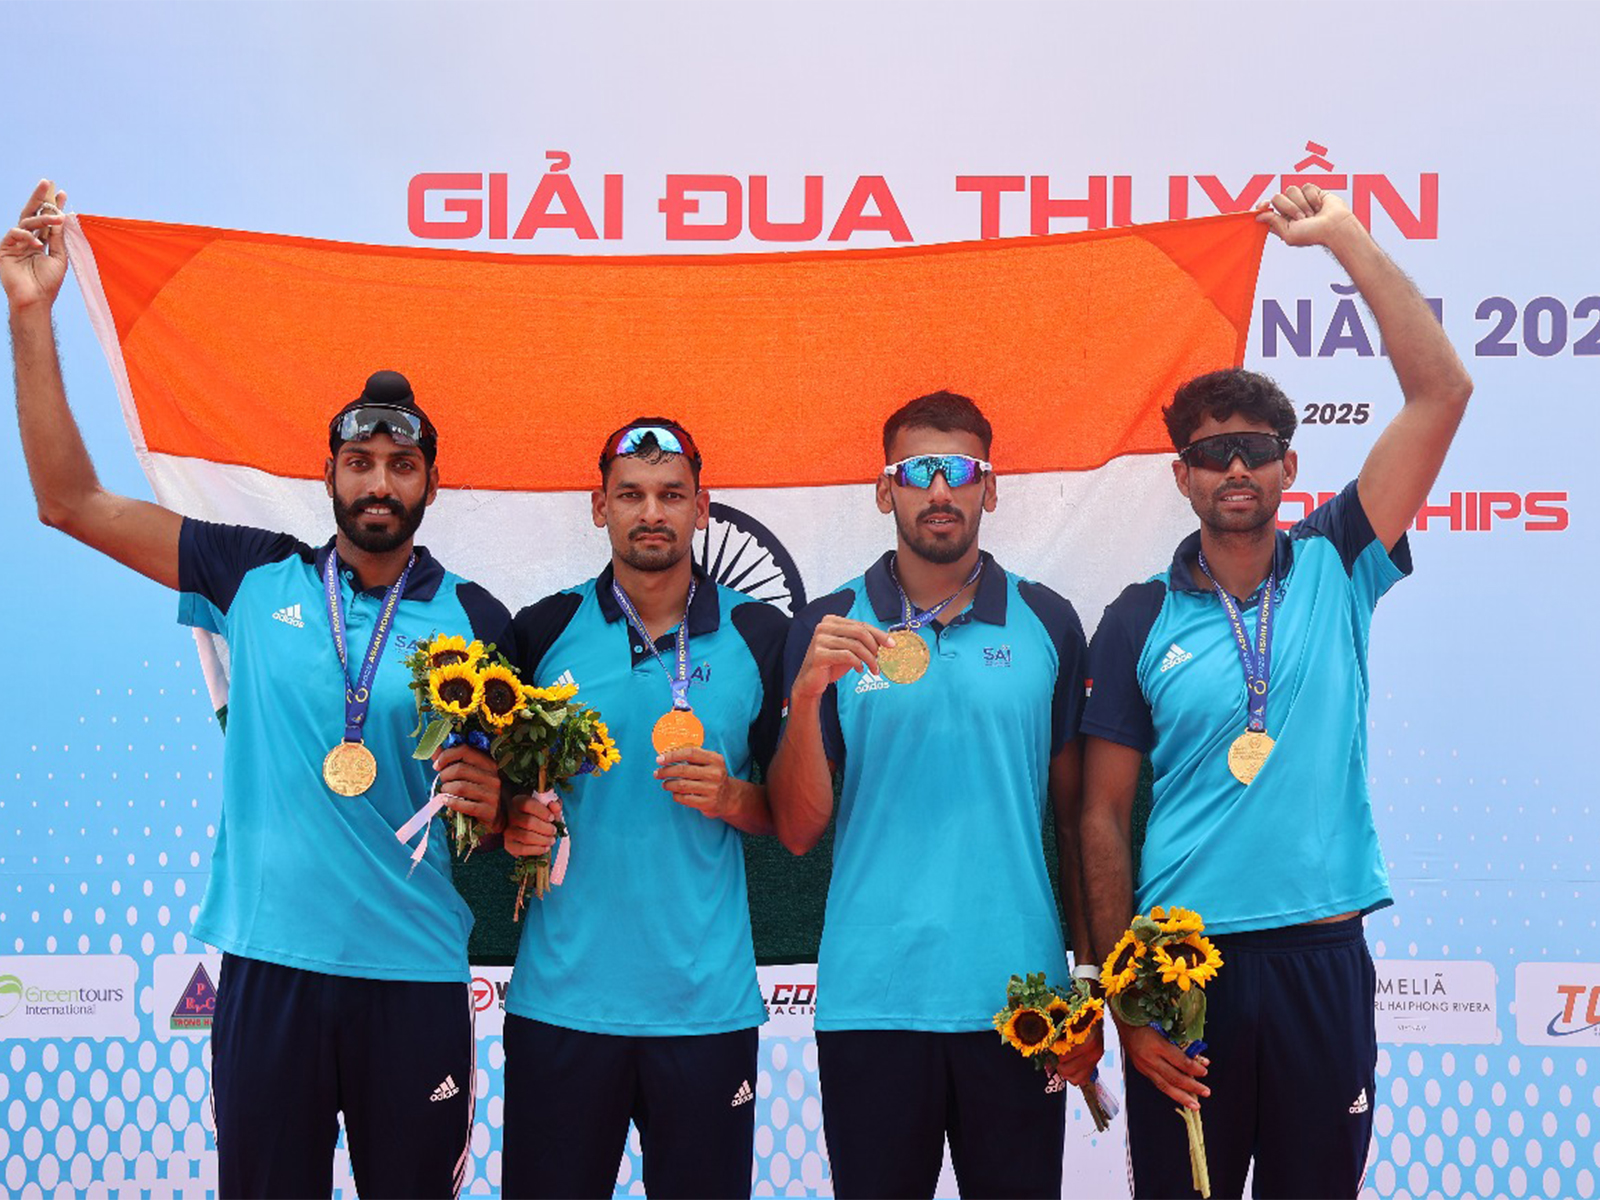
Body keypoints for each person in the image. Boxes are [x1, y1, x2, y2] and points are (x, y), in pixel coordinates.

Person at [4, 180, 512, 1198]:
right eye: (359, 461)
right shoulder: (252, 574)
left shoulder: (480, 619)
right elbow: (70, 502)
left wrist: (499, 805)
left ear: (430, 483)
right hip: (269, 972)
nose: (378, 482)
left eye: (400, 464)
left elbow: (504, 823)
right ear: (329, 476)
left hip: (412, 977)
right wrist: (29, 312)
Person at [1079, 183, 1472, 1198]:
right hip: (1179, 967)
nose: (1235, 467)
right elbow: (1102, 816)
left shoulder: (1341, 557)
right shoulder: (1137, 616)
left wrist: (1342, 236)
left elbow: (1441, 392)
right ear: (1183, 476)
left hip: (1318, 956)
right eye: (1211, 453)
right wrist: (1125, 999)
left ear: (1288, 465)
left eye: (1254, 449)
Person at [769, 390, 1098, 1199]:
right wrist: (806, 695)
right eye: (918, 472)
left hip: (1022, 1002)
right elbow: (799, 829)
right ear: (886, 490)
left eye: (960, 470)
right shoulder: (828, 623)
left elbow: (1077, 823)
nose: (940, 491)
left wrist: (1087, 985)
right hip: (874, 1001)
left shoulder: (1049, 622)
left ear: (991, 487)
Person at [498, 419, 788, 1200]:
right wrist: (510, 819)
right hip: (561, 1005)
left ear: (702, 507)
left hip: (704, 1009)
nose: (651, 512)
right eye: (630, 495)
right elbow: (497, 796)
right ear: (600, 507)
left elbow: (794, 816)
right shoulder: (541, 630)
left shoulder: (762, 634)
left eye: (671, 494)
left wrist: (734, 796)